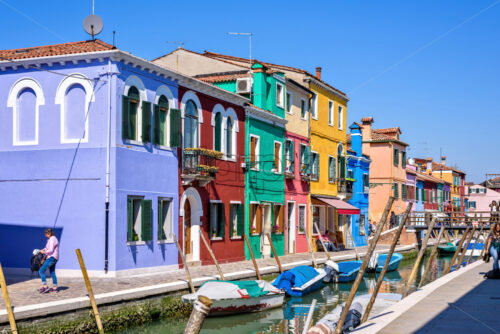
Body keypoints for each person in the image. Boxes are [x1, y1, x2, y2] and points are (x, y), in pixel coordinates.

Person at [39, 228, 59, 293]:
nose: (45, 236)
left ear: (49, 233)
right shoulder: (52, 239)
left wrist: (44, 252)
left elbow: (50, 250)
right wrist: (42, 250)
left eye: (46, 234)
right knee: (52, 272)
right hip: (54, 257)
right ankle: (55, 287)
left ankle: (45, 286)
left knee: (41, 271)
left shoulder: (52, 239)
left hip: (51, 257)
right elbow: (47, 248)